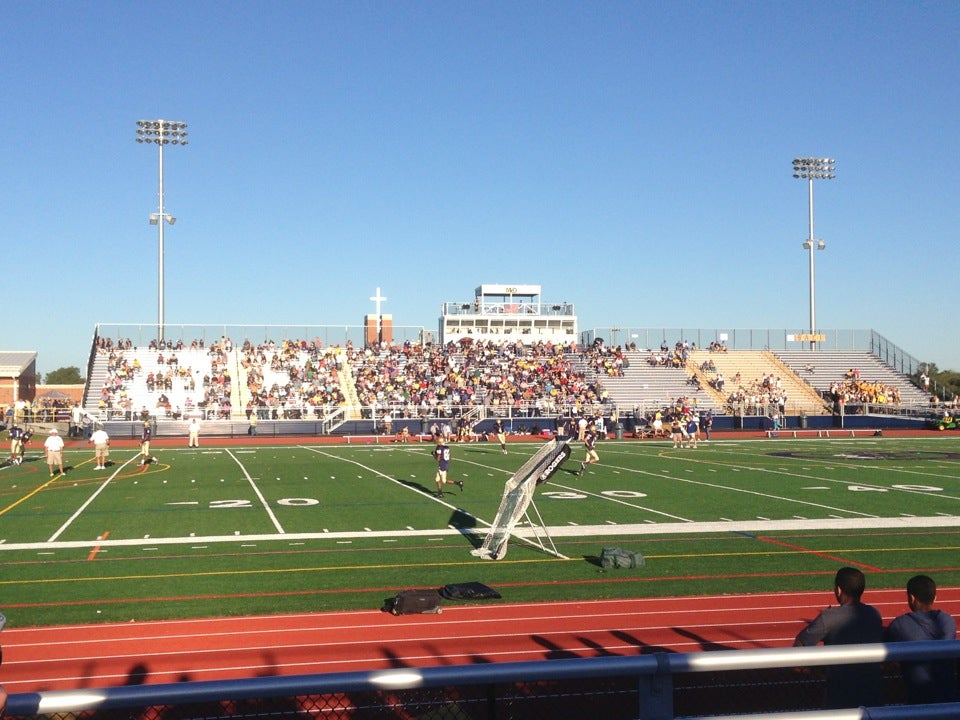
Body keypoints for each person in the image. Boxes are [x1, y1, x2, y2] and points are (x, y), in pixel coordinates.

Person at [793, 567, 884, 709]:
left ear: (839, 590)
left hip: (839, 697)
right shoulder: (874, 614)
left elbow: (800, 646)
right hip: (872, 696)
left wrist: (818, 669)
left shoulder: (829, 617)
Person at [885, 574, 958, 704]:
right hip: (949, 697)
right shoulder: (948, 621)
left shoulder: (900, 624)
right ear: (935, 597)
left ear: (911, 598)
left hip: (918, 698)